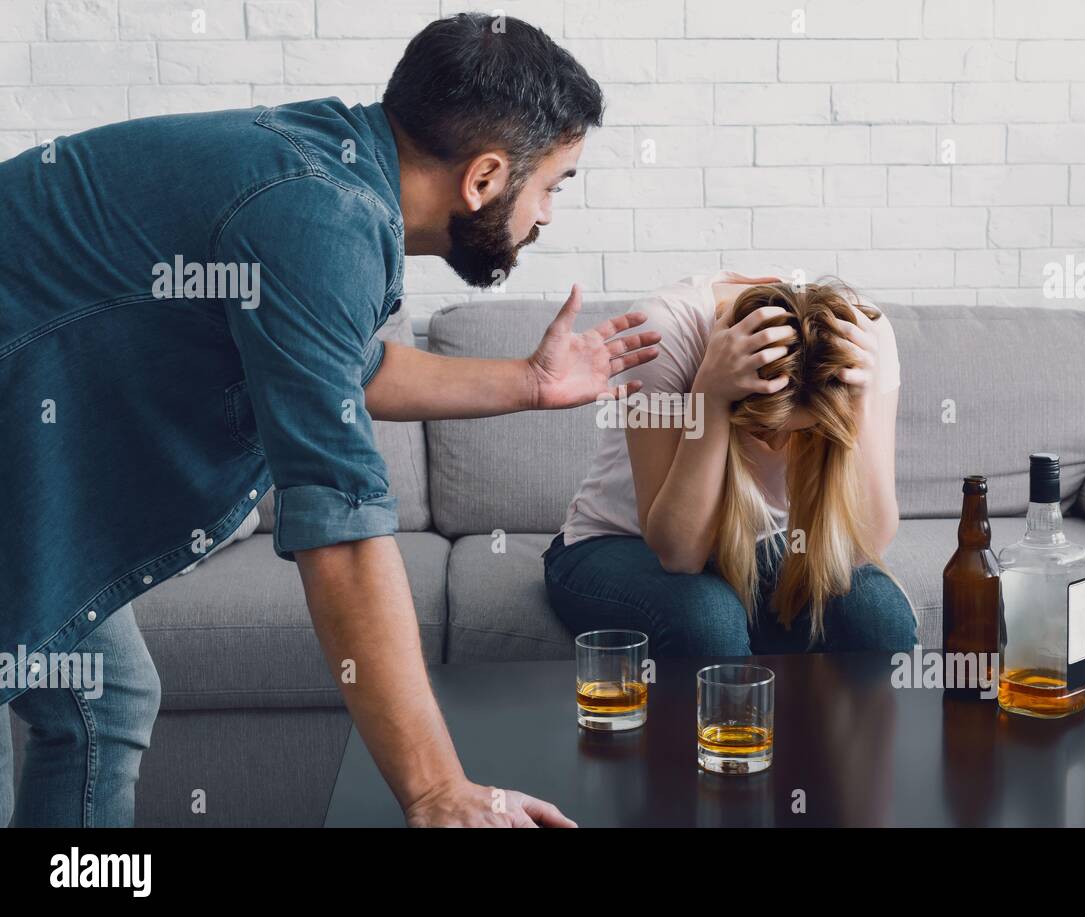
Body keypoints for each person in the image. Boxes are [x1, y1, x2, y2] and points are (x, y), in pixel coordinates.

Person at [0, 13, 656, 828]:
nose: (549, 215)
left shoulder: (324, 172)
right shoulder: (317, 222)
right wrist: (436, 790)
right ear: (486, 177)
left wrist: (528, 381)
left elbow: (344, 369)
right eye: (553, 184)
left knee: (102, 700)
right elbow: (340, 533)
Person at [545, 272, 917, 656]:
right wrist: (709, 394)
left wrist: (861, 404)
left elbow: (866, 546)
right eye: (761, 430)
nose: (778, 446)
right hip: (619, 542)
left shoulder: (865, 341)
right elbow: (681, 554)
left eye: (803, 432)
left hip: (760, 546)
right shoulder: (665, 330)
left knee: (879, 616)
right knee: (707, 619)